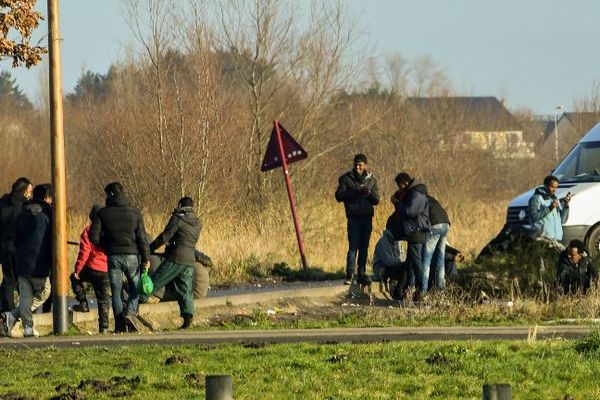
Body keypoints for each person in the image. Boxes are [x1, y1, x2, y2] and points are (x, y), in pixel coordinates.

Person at [89, 182, 150, 333]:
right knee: (135, 288)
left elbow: (93, 237)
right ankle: (130, 312)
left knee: (116, 292)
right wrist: (146, 258)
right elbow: (142, 238)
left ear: (109, 194)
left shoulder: (103, 213)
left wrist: (107, 246)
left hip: (113, 257)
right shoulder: (135, 212)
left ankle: (119, 326)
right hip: (132, 256)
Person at [146, 197, 201, 329]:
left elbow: (165, 236)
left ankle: (134, 305)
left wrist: (149, 249)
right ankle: (188, 319)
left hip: (176, 257)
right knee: (185, 290)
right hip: (189, 260)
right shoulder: (198, 222)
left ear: (180, 205)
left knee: (155, 281)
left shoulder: (178, 219)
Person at [13, 184, 52, 337]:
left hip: (22, 260)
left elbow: (16, 235)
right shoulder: (47, 213)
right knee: (45, 291)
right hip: (39, 262)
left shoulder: (22, 211)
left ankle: (26, 327)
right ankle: (15, 316)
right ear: (45, 198)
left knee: (25, 295)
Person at [335, 153, 380, 285]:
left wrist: (368, 193)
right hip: (353, 217)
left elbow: (376, 200)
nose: (357, 167)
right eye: (355, 164)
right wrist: (355, 191)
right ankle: (350, 275)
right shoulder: (345, 179)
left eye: (360, 165)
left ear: (365, 165)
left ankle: (361, 273)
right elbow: (339, 196)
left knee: (364, 247)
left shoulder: (372, 180)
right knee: (353, 246)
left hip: (367, 218)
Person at [70, 205, 110, 333]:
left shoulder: (88, 230)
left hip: (91, 268)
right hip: (105, 270)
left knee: (74, 279)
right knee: (103, 300)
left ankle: (83, 303)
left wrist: (77, 270)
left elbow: (84, 252)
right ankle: (103, 327)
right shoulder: (108, 231)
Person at [390, 172, 430, 301]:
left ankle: (421, 291)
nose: (399, 188)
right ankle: (403, 291)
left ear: (405, 182)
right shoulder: (416, 192)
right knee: (410, 263)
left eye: (399, 185)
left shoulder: (416, 192)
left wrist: (397, 202)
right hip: (415, 231)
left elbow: (409, 212)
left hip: (415, 231)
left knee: (416, 263)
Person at [0, 177, 33, 312]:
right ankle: (21, 310)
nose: (31, 194)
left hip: (3, 246)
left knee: (8, 279)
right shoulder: (25, 206)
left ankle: (6, 308)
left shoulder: (3, 202)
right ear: (25, 192)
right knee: (22, 280)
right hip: (18, 247)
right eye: (30, 191)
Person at [528, 175, 570, 246]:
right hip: (543, 240)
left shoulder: (554, 199)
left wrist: (566, 206)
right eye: (552, 187)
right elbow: (534, 217)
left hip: (557, 240)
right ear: (545, 185)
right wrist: (550, 208)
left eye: (556, 187)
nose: (554, 190)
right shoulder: (535, 198)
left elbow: (562, 221)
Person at [421, 195, 450, 291]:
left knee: (426, 259)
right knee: (440, 259)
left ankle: (423, 291)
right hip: (446, 224)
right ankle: (440, 291)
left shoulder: (417, 199)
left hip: (435, 225)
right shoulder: (431, 199)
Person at [372, 229, 404, 293]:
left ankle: (402, 290)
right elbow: (388, 261)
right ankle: (398, 292)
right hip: (380, 269)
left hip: (390, 266)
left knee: (407, 267)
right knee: (404, 267)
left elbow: (400, 257)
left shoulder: (396, 241)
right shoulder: (383, 242)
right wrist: (401, 263)